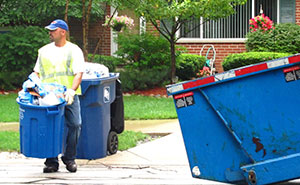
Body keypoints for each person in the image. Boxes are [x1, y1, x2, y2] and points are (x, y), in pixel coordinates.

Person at [33, 19, 85, 173]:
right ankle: (51, 162)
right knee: (50, 128)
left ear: (63, 32)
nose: (50, 32)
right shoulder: (43, 51)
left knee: (75, 124)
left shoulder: (74, 50)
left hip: (68, 95)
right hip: (49, 97)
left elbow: (78, 73)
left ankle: (69, 158)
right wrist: (33, 86)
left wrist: (71, 90)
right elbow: (37, 72)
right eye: (49, 30)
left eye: (53, 30)